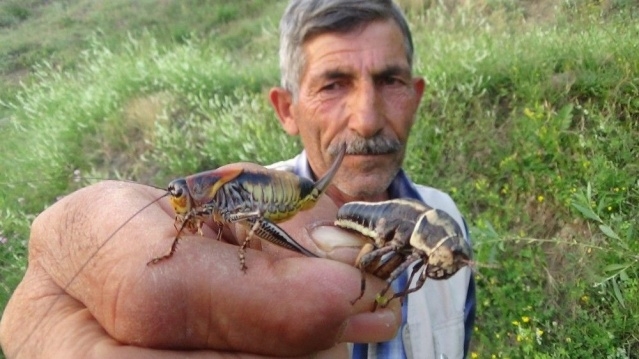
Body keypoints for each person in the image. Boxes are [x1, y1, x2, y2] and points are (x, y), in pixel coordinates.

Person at [0, 0, 475, 358]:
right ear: (285, 109)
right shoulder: (223, 234)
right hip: (270, 205)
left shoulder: (445, 222)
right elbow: (220, 218)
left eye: (389, 80)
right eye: (333, 84)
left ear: (415, 96)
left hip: (271, 201)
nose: (366, 119)